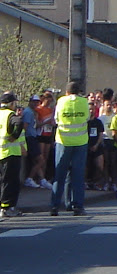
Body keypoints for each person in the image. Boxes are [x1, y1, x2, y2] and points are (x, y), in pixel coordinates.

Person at [50, 81, 90, 216]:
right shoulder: (84, 102)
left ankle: (55, 206)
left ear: (66, 92)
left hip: (63, 141)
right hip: (80, 142)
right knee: (77, 175)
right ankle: (77, 206)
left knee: (60, 174)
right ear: (78, 91)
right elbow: (87, 118)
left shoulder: (61, 102)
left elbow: (56, 119)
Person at [0, 93, 24, 217]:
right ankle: (7, 208)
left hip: (1, 152)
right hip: (10, 153)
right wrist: (14, 136)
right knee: (10, 181)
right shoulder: (10, 114)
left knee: (2, 181)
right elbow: (19, 123)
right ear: (11, 103)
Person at [23, 94, 51, 189]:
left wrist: (46, 122)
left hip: (34, 136)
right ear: (30, 102)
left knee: (38, 160)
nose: (36, 104)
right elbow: (25, 127)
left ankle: (41, 179)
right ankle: (30, 178)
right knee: (40, 159)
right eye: (34, 102)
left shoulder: (33, 112)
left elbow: (37, 124)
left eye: (37, 102)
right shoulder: (28, 112)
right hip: (30, 138)